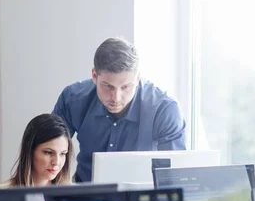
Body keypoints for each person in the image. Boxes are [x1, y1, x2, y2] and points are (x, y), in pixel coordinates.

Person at [52, 37, 186, 182]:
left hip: (141, 198)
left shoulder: (165, 110)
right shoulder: (72, 99)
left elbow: (174, 176)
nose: (116, 97)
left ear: (137, 78)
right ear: (94, 76)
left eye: (125, 87)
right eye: (108, 86)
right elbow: (48, 154)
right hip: (85, 196)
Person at [3, 113, 73, 187]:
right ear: (30, 151)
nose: (56, 162)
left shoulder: (75, 195)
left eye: (63, 154)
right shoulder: (1, 194)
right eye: (48, 152)